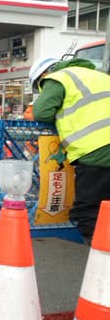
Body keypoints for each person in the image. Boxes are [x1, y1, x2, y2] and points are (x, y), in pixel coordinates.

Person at [30, 56, 110, 242]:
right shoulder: (101, 76)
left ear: (44, 74)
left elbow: (41, 112)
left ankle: (101, 255)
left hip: (96, 149)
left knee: (87, 211)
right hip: (101, 147)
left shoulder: (58, 78)